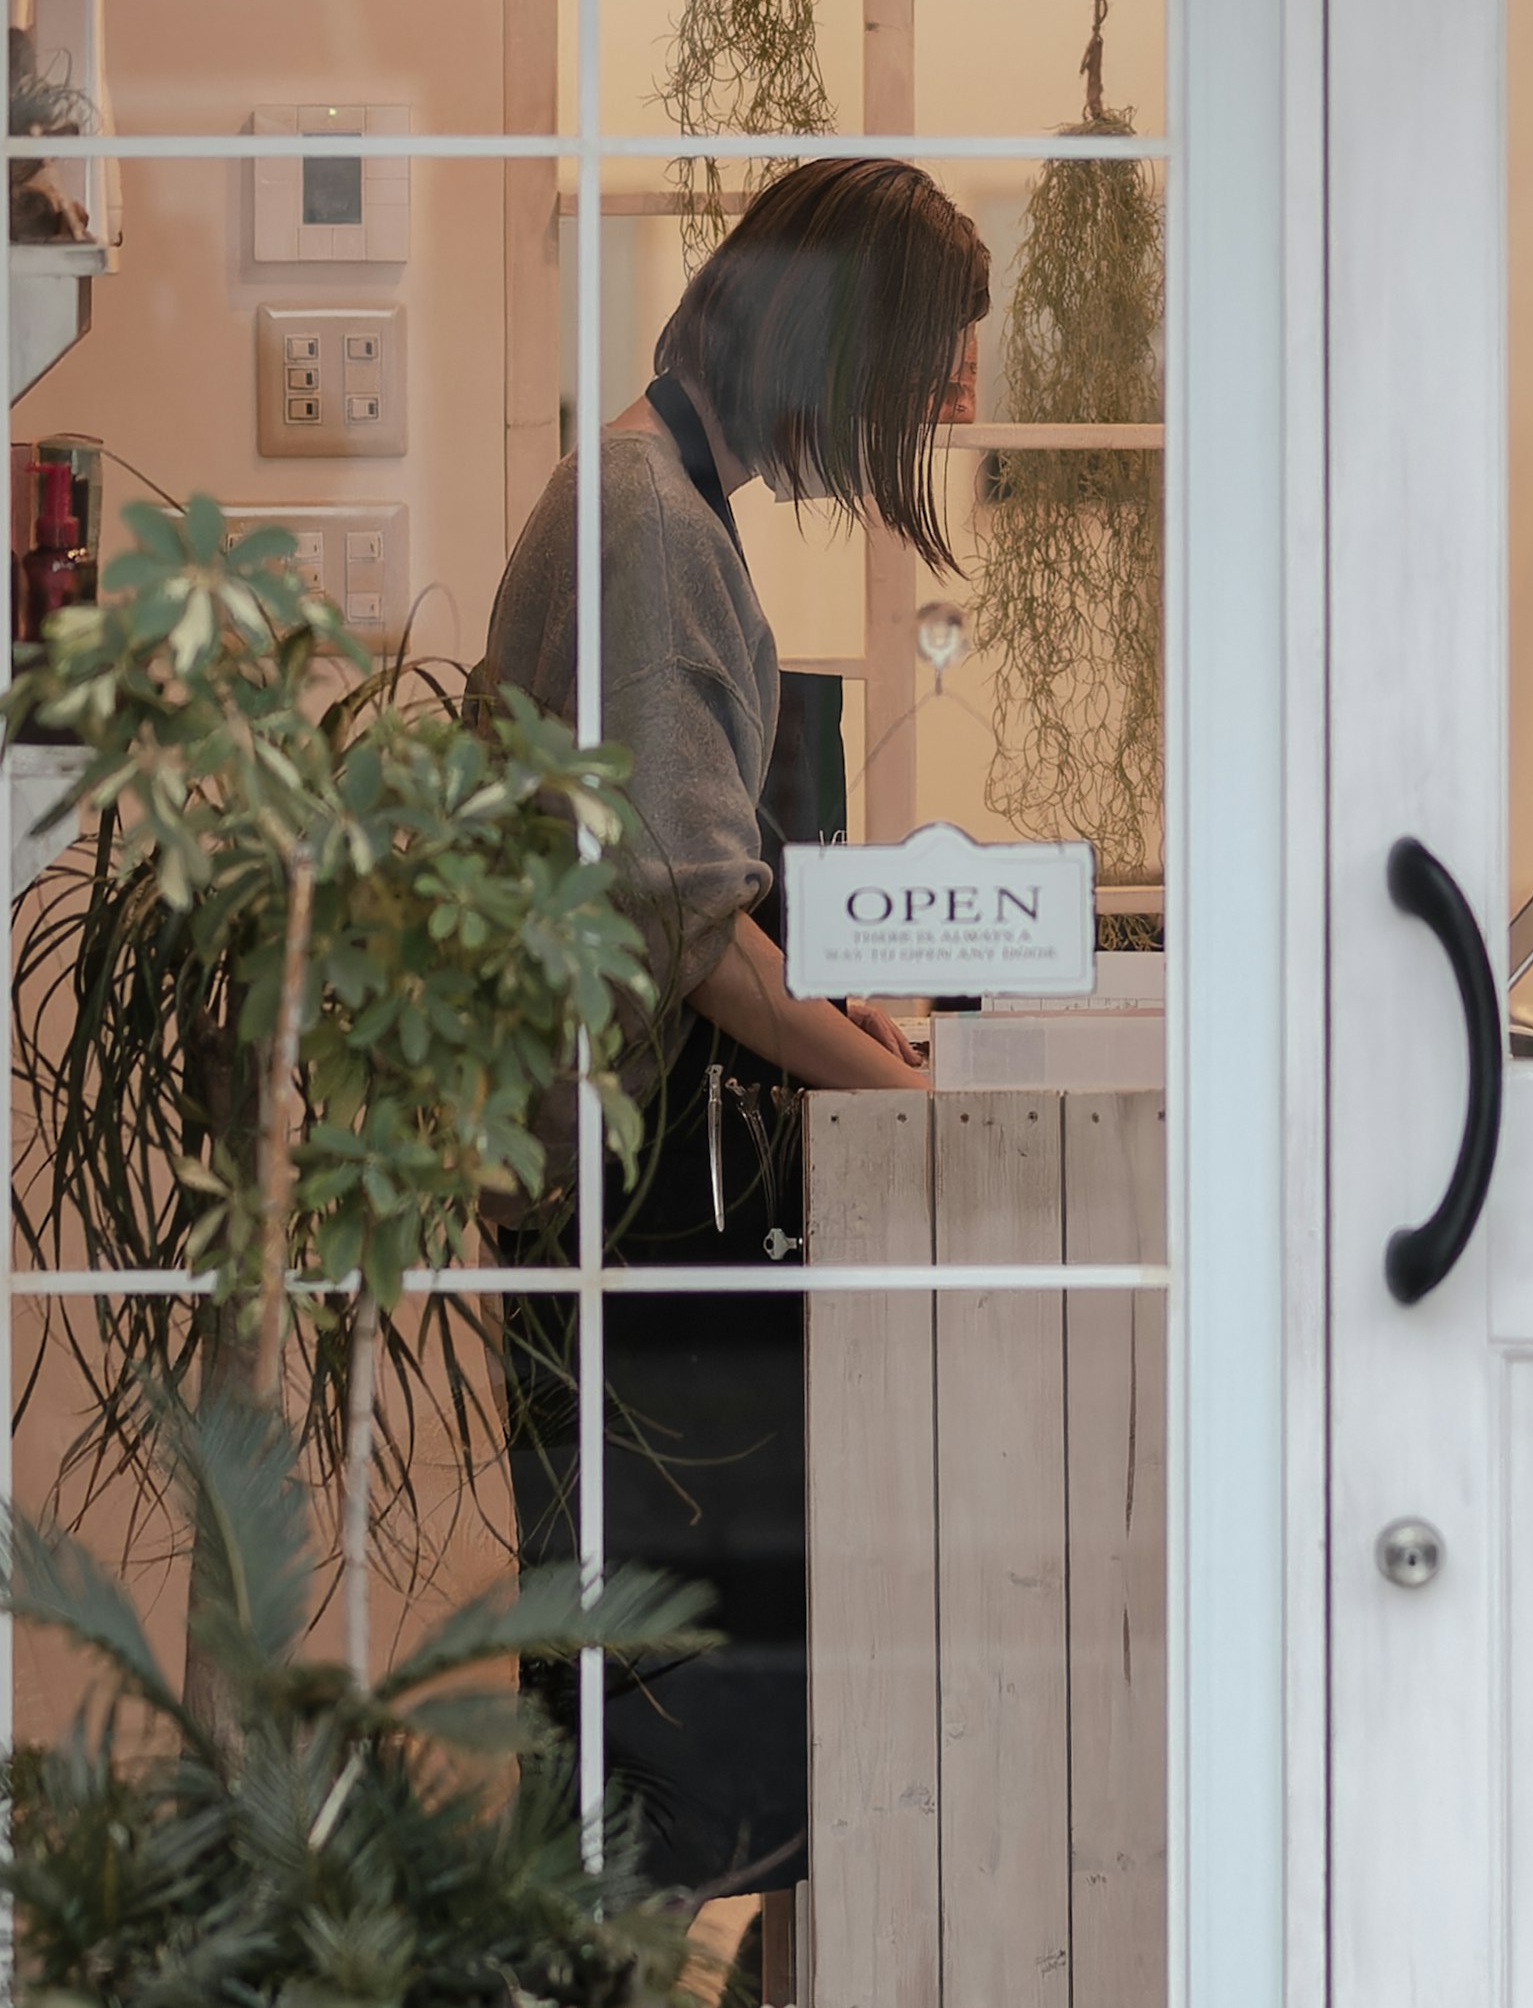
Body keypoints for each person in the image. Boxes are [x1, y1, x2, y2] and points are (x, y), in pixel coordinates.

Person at [482, 156, 988, 1897]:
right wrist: (918, 1098)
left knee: (633, 1698)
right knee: (661, 1734)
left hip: (612, 1195)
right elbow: (696, 929)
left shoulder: (651, 498)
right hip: (631, 1213)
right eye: (928, 374)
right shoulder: (651, 521)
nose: (941, 411)